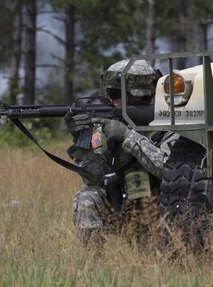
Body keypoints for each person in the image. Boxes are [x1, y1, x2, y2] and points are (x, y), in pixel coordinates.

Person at [65, 59, 177, 245]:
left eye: (126, 95)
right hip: (122, 207)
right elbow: (96, 178)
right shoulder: (107, 126)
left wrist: (128, 136)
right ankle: (96, 267)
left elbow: (169, 172)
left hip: (160, 210)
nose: (117, 101)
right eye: (113, 93)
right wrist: (80, 142)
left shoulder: (169, 126)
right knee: (87, 197)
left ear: (146, 95)